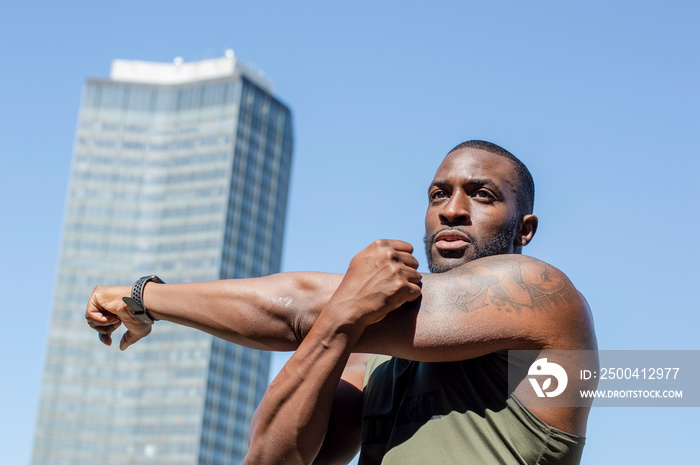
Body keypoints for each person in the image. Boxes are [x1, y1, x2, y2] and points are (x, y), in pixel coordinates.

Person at [86, 140, 597, 464]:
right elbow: (271, 459)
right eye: (438, 194)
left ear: (524, 229)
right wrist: (339, 322)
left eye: (482, 195)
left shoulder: (542, 295)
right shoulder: (372, 349)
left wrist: (146, 297)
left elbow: (298, 307)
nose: (453, 211)